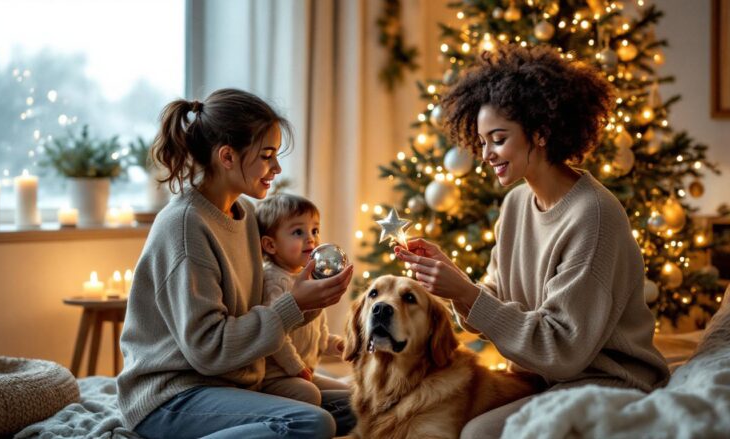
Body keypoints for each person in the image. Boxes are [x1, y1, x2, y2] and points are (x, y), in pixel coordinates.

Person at [395, 44, 670, 439]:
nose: (487, 154)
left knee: (477, 433)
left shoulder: (593, 215)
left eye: (498, 139)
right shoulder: (516, 203)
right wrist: (456, 283)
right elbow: (498, 299)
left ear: (540, 133)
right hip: (543, 377)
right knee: (436, 412)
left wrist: (469, 296)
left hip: (607, 381)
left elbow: (562, 350)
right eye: (482, 141)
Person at [117, 88, 355, 439]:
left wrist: (310, 302)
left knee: (369, 403)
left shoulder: (244, 217)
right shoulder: (186, 227)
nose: (276, 168)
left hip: (233, 384)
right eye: (267, 155)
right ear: (227, 156)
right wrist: (294, 305)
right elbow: (209, 350)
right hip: (172, 396)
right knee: (310, 422)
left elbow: (257, 313)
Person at [255, 194, 351, 406]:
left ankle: (327, 411)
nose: (311, 239)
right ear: (271, 245)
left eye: (315, 230)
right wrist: (296, 367)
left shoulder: (310, 279)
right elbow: (275, 335)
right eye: (298, 232)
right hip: (276, 377)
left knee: (353, 395)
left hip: (305, 371)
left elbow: (318, 332)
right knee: (310, 394)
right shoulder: (274, 281)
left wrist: (337, 345)